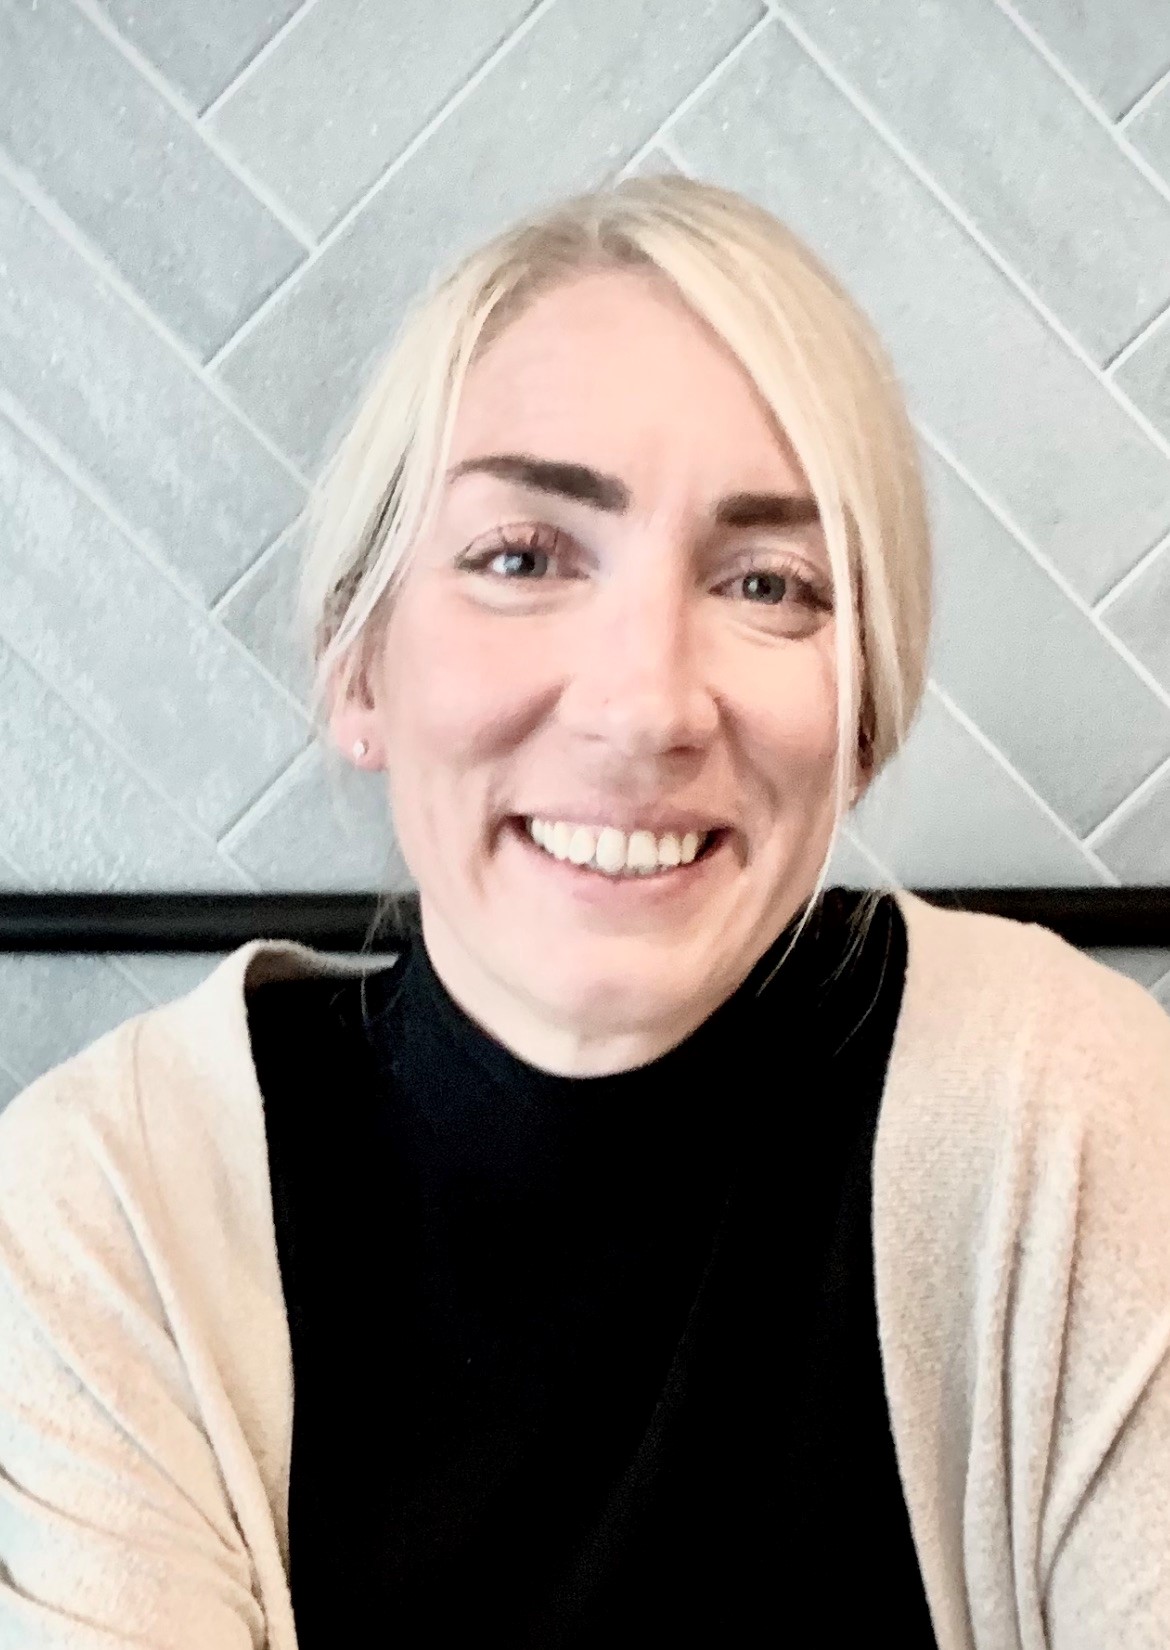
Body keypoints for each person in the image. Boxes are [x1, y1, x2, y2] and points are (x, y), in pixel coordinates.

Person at [1, 174, 1168, 1650]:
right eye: (521, 558)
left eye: (769, 583)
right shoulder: (111, 1208)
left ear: (862, 717)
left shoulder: (1067, 1111)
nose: (644, 708)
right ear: (360, 664)